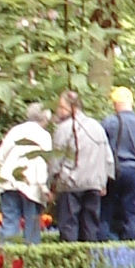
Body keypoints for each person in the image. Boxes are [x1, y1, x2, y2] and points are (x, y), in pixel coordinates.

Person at [51, 89, 112, 243]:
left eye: (61, 107)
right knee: (90, 226)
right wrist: (103, 182)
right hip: (94, 183)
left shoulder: (64, 129)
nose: (58, 110)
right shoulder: (97, 127)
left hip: (70, 183)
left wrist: (52, 182)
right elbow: (108, 157)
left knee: (69, 226)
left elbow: (55, 159)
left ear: (71, 108)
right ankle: (89, 260)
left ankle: (71, 259)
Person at [0, 98, 52, 243]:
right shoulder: (44, 136)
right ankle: (30, 261)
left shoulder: (15, 130)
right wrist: (44, 189)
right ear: (44, 119)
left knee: (9, 224)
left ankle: (5, 259)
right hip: (32, 185)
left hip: (8, 182)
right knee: (32, 228)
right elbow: (43, 164)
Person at [103, 86, 135, 240]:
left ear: (115, 103)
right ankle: (132, 243)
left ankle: (104, 242)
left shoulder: (109, 122)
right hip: (132, 171)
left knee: (106, 209)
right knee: (131, 211)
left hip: (113, 170)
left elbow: (101, 148)